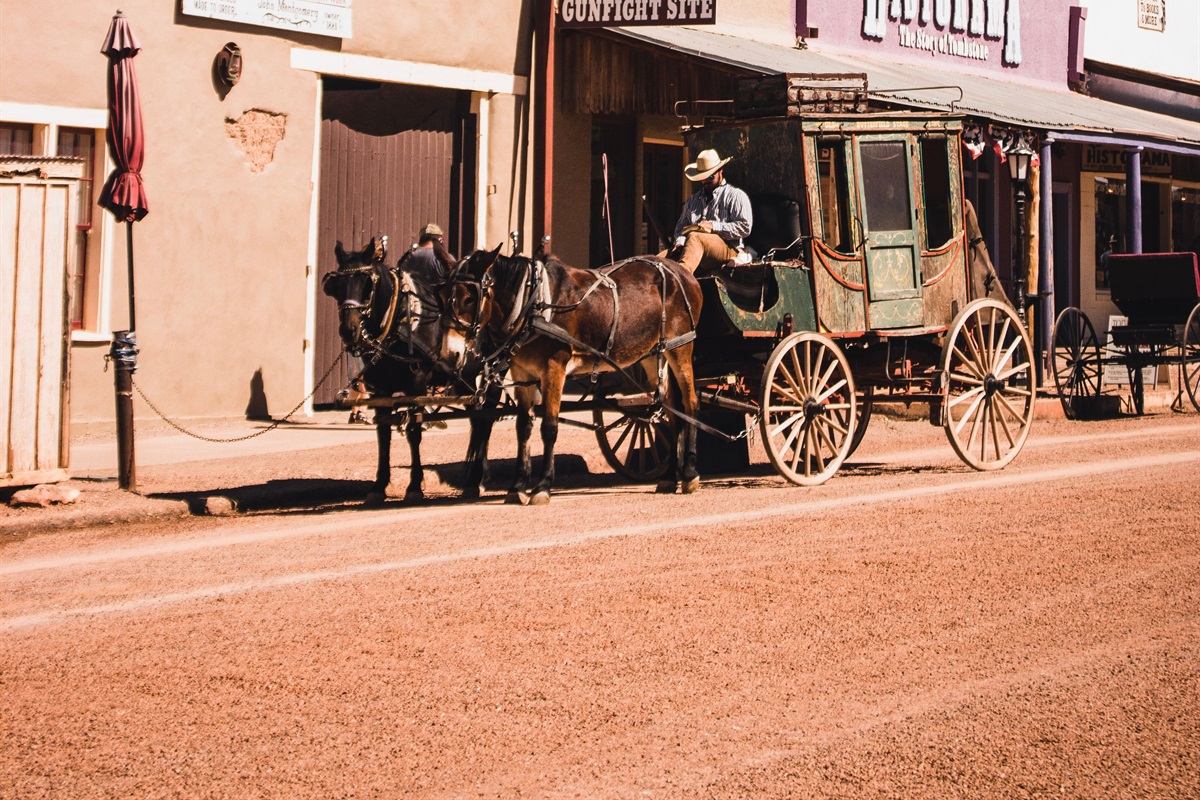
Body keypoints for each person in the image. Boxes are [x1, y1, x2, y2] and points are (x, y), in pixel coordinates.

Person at [669, 148, 753, 274]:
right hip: (692, 247)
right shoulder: (693, 200)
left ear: (720, 171)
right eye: (702, 178)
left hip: (728, 248)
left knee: (695, 237)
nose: (706, 181)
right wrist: (680, 242)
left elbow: (744, 227)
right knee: (660, 261)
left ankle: (681, 277)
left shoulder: (735, 195)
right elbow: (681, 227)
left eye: (710, 176)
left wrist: (713, 226)